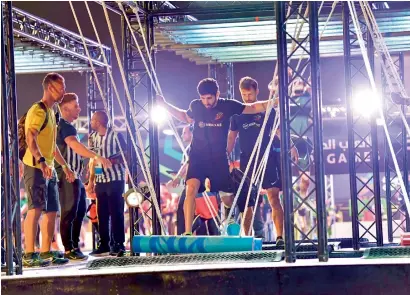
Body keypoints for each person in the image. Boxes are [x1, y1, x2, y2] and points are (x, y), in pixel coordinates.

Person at [157, 78, 271, 235]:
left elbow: (252, 107)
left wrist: (275, 101)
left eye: (209, 98)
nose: (206, 102)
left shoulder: (228, 105)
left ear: (217, 94)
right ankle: (188, 232)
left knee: (227, 198)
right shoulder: (196, 106)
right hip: (198, 157)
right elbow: (185, 117)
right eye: (203, 98)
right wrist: (165, 105)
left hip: (219, 159)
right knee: (191, 189)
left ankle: (230, 217)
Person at [22, 73, 75, 267]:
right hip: (35, 166)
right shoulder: (38, 110)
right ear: (49, 88)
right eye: (60, 87)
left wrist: (65, 167)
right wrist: (42, 161)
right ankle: (29, 253)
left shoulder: (53, 113)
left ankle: (45, 251)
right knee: (35, 209)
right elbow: (31, 138)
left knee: (52, 211)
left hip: (49, 168)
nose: (63, 91)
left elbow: (52, 146)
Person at [227, 77, 285, 244]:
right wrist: (226, 155)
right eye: (244, 95)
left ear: (256, 91)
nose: (247, 98)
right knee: (247, 203)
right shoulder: (237, 114)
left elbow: (278, 131)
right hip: (247, 161)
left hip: (268, 159)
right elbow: (232, 137)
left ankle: (279, 237)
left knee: (273, 197)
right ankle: (248, 238)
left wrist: (290, 146)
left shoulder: (267, 110)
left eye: (250, 94)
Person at [56, 93, 111, 260]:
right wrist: (96, 156)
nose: (79, 109)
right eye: (76, 106)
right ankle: (68, 248)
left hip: (75, 175)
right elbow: (74, 145)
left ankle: (73, 245)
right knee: (70, 211)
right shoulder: (65, 126)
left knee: (79, 210)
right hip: (68, 175)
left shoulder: (68, 126)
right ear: (65, 109)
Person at [87, 111, 127, 256]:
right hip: (100, 180)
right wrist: (92, 180)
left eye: (92, 120)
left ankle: (118, 244)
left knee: (116, 212)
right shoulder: (92, 138)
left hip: (116, 179)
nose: (90, 122)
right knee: (101, 213)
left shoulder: (116, 135)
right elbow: (93, 160)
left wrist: (112, 161)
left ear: (98, 122)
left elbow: (126, 155)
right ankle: (104, 243)